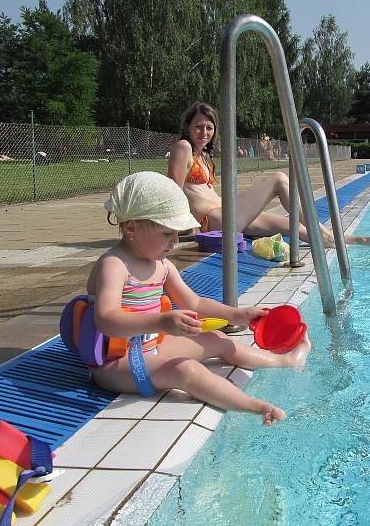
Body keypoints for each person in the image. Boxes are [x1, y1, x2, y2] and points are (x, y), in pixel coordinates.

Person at [87, 171, 310, 425]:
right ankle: (256, 406)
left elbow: (194, 303)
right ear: (131, 228)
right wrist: (161, 322)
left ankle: (286, 361)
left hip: (152, 344)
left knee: (218, 339)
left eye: (177, 234)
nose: (174, 242)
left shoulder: (162, 265)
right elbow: (106, 319)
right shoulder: (114, 265)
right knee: (185, 370)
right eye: (167, 234)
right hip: (116, 361)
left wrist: (237, 314)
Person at [168, 102, 370, 248]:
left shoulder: (203, 155)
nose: (204, 132)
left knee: (293, 227)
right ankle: (327, 233)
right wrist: (177, 231)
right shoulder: (183, 147)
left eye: (209, 127)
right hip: (213, 220)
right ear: (188, 127)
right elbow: (173, 192)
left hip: (226, 214)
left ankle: (355, 240)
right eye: (199, 127)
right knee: (278, 179)